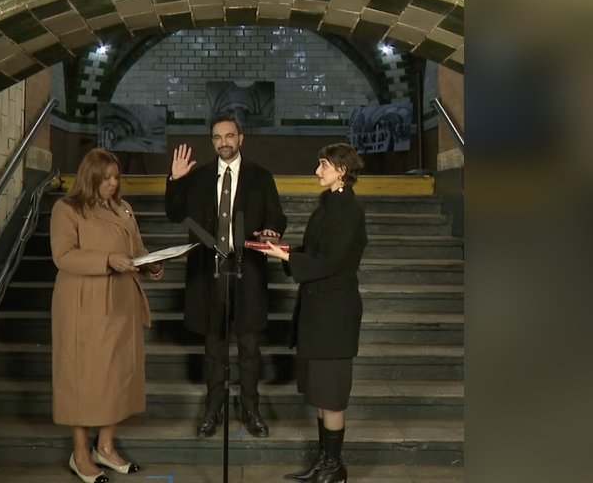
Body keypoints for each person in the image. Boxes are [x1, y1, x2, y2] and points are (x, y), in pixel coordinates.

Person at [165, 115, 287, 438]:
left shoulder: (261, 176)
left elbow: (277, 216)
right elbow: (175, 214)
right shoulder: (198, 176)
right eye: (218, 137)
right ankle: (213, 409)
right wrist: (176, 180)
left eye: (229, 136)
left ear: (241, 138)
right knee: (214, 346)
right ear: (212, 141)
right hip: (209, 272)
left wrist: (272, 230)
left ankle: (251, 409)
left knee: (249, 346)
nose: (224, 143)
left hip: (248, 271)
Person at [50, 148, 163, 483]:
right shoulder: (67, 209)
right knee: (83, 377)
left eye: (116, 177)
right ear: (91, 177)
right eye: (107, 178)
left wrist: (151, 264)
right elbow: (63, 256)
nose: (113, 183)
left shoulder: (123, 208)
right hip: (84, 303)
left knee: (117, 374)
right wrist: (108, 260)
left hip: (121, 301)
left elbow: (136, 249)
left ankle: (106, 446)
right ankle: (80, 453)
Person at [259, 143, 367, 483]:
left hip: (335, 315)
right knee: (321, 392)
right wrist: (282, 249)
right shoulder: (328, 206)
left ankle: (335, 467)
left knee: (332, 396)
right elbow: (314, 250)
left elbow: (331, 261)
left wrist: (288, 258)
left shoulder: (349, 212)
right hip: (318, 312)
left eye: (323, 165)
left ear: (342, 170)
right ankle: (325, 462)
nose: (317, 171)